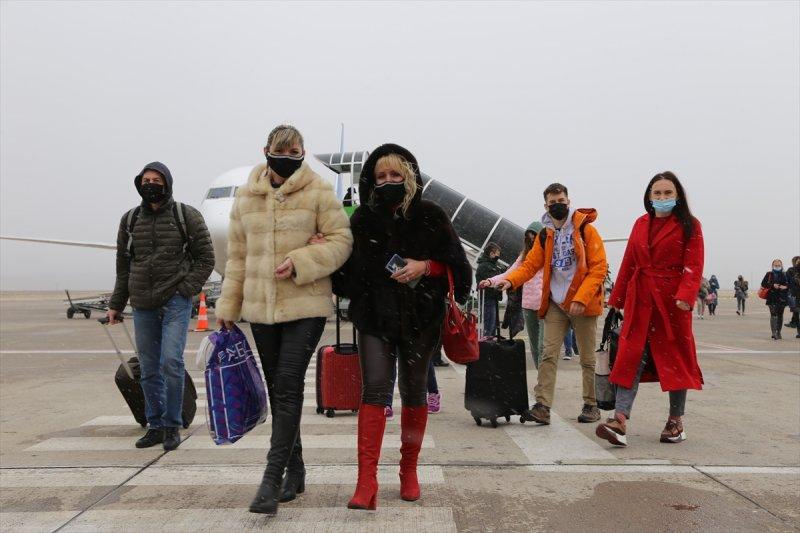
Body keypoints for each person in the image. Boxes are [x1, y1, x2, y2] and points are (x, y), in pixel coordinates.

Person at [215, 125, 353, 516]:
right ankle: (297, 468)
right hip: (261, 309)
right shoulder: (247, 196)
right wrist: (228, 307)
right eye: (283, 150)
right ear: (267, 151)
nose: (290, 156)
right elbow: (237, 259)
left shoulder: (319, 191)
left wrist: (303, 261)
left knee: (289, 384)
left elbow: (342, 240)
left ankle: (271, 479)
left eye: (296, 150)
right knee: (278, 389)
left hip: (305, 305)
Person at [333, 143, 471, 510]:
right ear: (372, 181)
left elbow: (460, 270)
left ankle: (408, 470)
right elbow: (346, 279)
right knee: (374, 390)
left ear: (410, 176)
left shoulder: (431, 215)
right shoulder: (361, 220)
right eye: (382, 176)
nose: (389, 181)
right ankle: (367, 481)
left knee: (413, 393)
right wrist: (329, 253)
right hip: (375, 319)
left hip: (421, 320)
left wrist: (426, 266)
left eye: (396, 174)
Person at [106, 162, 215, 451]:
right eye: (146, 179)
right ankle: (154, 424)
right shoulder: (129, 220)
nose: (150, 184)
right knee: (150, 367)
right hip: (142, 304)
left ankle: (172, 425)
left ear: (167, 184)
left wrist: (185, 290)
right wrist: (116, 304)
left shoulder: (185, 215)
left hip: (175, 302)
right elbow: (123, 266)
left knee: (171, 361)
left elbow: (206, 258)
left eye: (156, 180)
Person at [482, 182, 608, 425]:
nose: (557, 205)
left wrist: (582, 298)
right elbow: (530, 265)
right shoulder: (546, 234)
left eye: (561, 201)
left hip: (583, 304)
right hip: (555, 304)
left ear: (568, 202)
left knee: (587, 358)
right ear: (546, 205)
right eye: (553, 202)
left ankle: (591, 404)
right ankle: (542, 406)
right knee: (547, 354)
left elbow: (598, 268)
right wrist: (510, 281)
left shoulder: (586, 230)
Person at [595, 171, 704, 447]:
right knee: (629, 357)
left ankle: (675, 421)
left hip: (672, 304)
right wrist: (616, 300)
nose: (662, 198)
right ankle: (619, 420)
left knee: (675, 360)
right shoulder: (640, 224)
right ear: (649, 197)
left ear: (677, 196)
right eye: (657, 193)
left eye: (668, 193)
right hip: (640, 300)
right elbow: (629, 263)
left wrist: (685, 295)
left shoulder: (690, 225)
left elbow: (694, 264)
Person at [487, 223, 545, 369]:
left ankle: (544, 383)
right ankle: (541, 376)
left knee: (543, 347)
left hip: (545, 305)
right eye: (529, 237)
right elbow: (510, 273)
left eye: (534, 237)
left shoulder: (548, 253)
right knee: (534, 346)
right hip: (528, 305)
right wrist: (491, 281)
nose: (532, 240)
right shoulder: (524, 256)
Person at [476, 242, 504, 336]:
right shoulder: (485, 266)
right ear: (491, 253)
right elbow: (493, 280)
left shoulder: (492, 265)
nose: (498, 256)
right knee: (489, 325)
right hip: (487, 298)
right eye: (497, 254)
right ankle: (487, 344)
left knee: (493, 325)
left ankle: (490, 344)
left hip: (492, 298)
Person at [761, 259, 790, 340]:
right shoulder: (769, 274)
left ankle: (778, 332)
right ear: (772, 265)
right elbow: (763, 284)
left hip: (782, 297)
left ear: (781, 265)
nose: (777, 266)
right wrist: (772, 285)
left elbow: (790, 285)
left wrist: (785, 287)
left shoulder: (785, 274)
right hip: (771, 297)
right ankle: (774, 333)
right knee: (773, 314)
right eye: (775, 265)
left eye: (778, 265)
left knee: (780, 315)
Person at [785, 256, 800, 335]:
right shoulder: (791, 270)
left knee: (796, 313)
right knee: (797, 313)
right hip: (795, 295)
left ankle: (793, 323)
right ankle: (799, 332)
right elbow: (787, 281)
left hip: (794, 294)